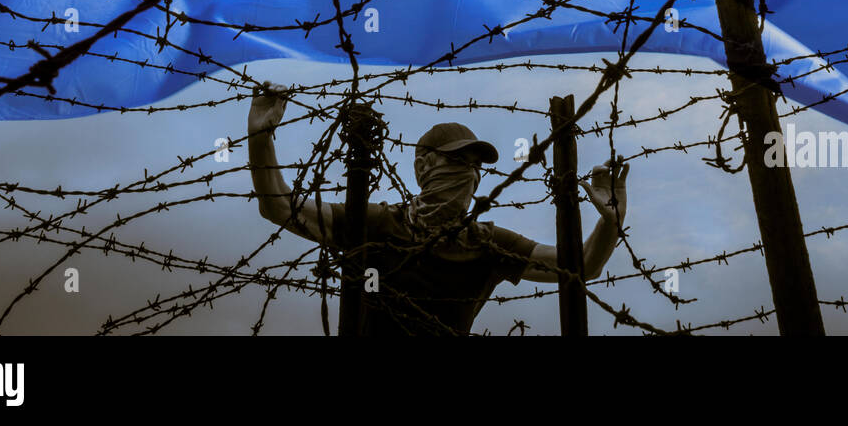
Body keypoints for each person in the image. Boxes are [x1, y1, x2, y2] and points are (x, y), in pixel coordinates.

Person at [247, 82, 629, 335]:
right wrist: (261, 136)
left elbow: (581, 265)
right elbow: (280, 207)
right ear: (422, 167)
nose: (469, 174)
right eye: (456, 161)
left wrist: (611, 222)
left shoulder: (486, 244)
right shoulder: (377, 223)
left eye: (475, 166)